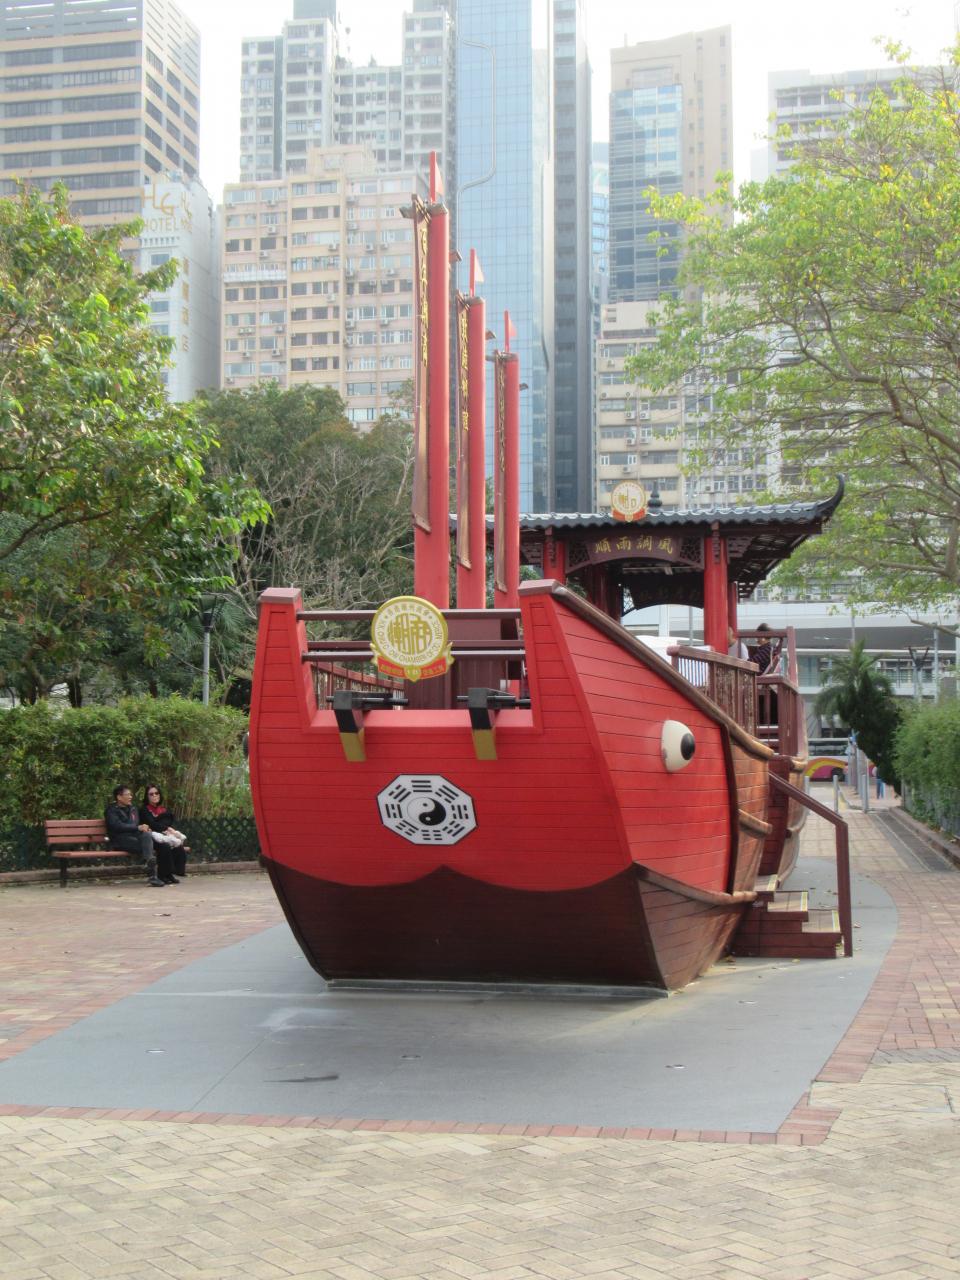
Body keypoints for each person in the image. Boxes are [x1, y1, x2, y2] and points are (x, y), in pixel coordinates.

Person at [104, 785, 171, 887]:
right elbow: (117, 826)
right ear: (119, 797)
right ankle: (152, 874)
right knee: (148, 848)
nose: (130, 797)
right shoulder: (111, 810)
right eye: (128, 795)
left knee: (147, 835)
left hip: (135, 838)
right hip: (119, 839)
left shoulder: (133, 808)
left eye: (131, 794)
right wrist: (137, 828)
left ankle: (149, 864)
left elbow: (136, 825)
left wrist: (144, 828)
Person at [140, 785, 190, 883]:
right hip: (151, 837)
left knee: (177, 845)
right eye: (151, 794)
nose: (154, 795)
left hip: (165, 834)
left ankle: (170, 874)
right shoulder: (144, 810)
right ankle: (162, 875)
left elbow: (169, 822)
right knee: (164, 846)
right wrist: (165, 827)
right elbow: (152, 824)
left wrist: (166, 828)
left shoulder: (164, 809)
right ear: (147, 796)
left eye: (156, 793)